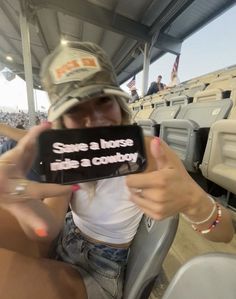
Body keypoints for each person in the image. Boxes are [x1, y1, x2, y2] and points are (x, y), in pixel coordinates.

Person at [0, 41, 234, 299]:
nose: (94, 120)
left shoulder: (148, 151)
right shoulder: (69, 155)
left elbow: (225, 233)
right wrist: (17, 199)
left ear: (119, 103)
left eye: (103, 101)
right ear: (62, 121)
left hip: (103, 265)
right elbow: (47, 228)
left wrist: (195, 203)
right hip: (65, 236)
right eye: (76, 109)